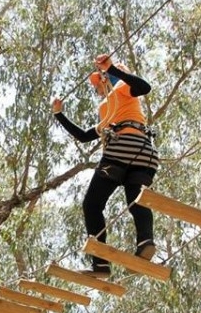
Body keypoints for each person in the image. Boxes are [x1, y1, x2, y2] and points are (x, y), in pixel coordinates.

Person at [52, 54, 160, 278]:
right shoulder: (111, 111)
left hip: (121, 149)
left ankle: (100, 264)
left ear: (107, 79)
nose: (98, 89)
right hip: (145, 153)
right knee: (136, 201)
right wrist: (59, 115)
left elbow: (143, 86)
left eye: (100, 82)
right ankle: (145, 241)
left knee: (92, 205)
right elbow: (84, 136)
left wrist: (114, 70)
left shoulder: (120, 91)